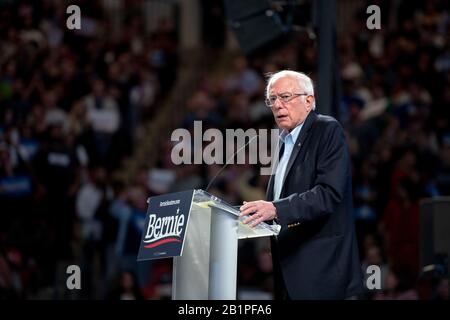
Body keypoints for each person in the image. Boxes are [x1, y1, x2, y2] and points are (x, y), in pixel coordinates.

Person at [240, 70, 363, 299]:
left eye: (285, 97)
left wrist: (275, 208)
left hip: (320, 272)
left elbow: (328, 193)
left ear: (309, 101)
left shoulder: (327, 130)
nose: (277, 105)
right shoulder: (283, 141)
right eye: (272, 99)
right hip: (287, 270)